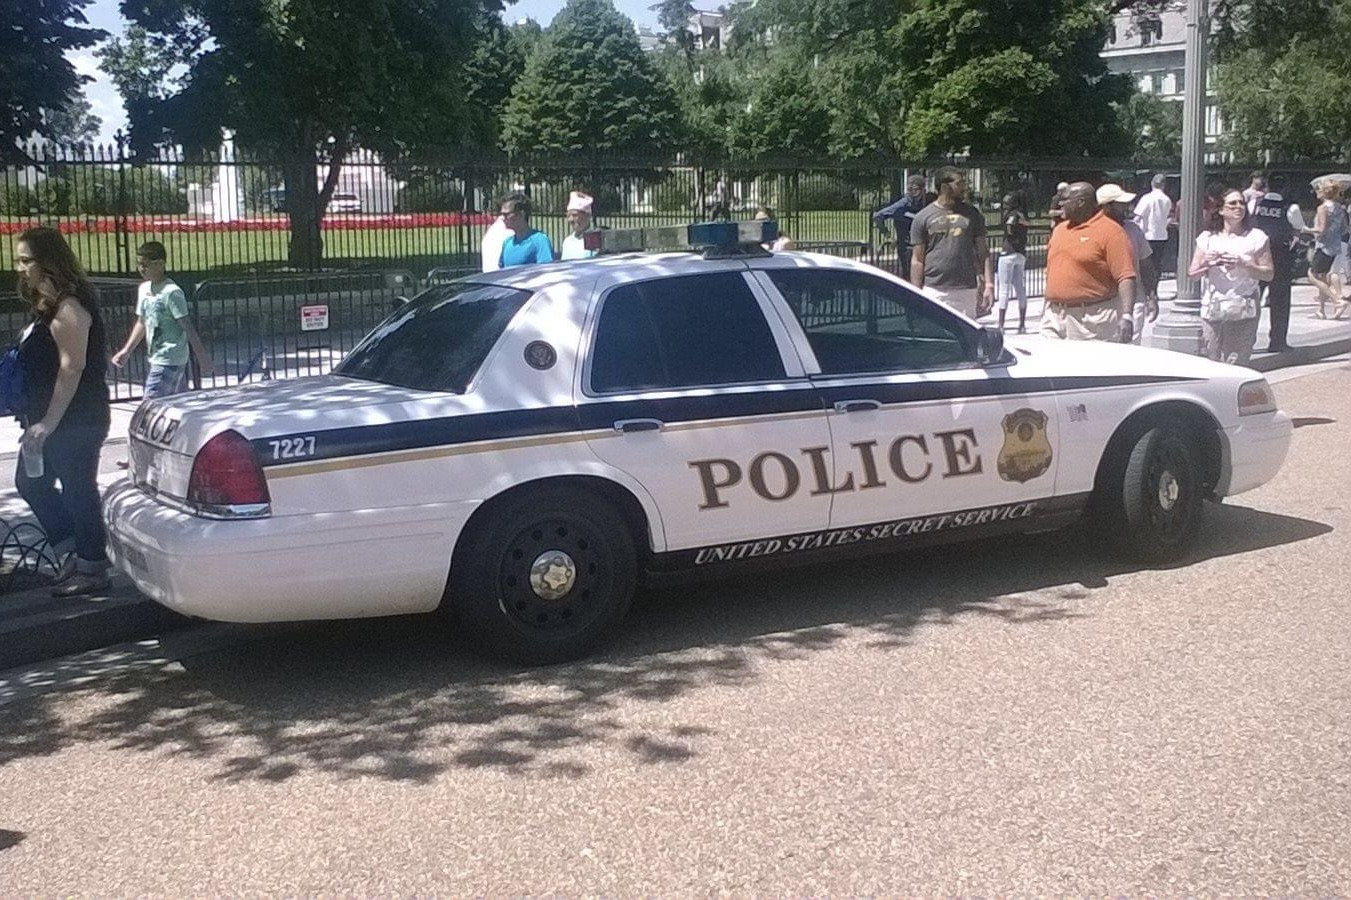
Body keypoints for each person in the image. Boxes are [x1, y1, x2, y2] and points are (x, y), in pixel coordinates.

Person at [12, 227, 113, 597]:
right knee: (30, 482)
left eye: (27, 260)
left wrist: (47, 424)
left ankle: (91, 566)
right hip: (48, 419)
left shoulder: (70, 306)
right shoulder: (49, 304)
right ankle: (72, 553)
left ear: (49, 262)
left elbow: (72, 368)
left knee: (77, 489)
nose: (20, 268)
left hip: (75, 419)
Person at [111, 241, 215, 401]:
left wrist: (202, 356)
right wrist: (127, 350)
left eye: (145, 265)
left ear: (160, 264)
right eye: (139, 264)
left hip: (170, 358)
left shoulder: (172, 293)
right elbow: (142, 322)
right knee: (177, 404)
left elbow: (187, 326)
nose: (141, 269)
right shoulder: (144, 289)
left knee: (150, 404)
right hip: (156, 355)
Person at [1040, 182, 1138, 343]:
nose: (1060, 204)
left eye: (1065, 200)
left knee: (1089, 368)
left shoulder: (1111, 232)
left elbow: (1125, 276)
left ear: (1080, 202)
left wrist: (1127, 316)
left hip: (1092, 320)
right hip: (1054, 317)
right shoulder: (1059, 230)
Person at [1187, 188, 1272, 365]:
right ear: (1221, 209)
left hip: (1243, 307)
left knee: (1236, 362)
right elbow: (1193, 275)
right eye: (1232, 203)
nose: (1238, 207)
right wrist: (1207, 263)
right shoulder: (1207, 238)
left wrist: (1243, 263)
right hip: (1213, 308)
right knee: (1213, 359)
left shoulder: (1257, 237)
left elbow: (1268, 274)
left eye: (1241, 203)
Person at [909, 167, 993, 318]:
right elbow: (917, 260)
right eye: (959, 184)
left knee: (967, 338)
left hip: (966, 290)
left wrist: (988, 284)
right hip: (935, 289)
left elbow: (983, 252)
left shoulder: (972, 215)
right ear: (945, 187)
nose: (964, 188)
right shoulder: (922, 218)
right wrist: (916, 292)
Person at [1099, 183, 1159, 344]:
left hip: (1134, 300)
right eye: (1120, 204)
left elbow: (1146, 264)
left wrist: (1151, 296)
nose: (1126, 207)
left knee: (1130, 348)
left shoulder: (1133, 230)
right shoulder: (1093, 232)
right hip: (1101, 303)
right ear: (1107, 207)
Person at [1250, 173, 1303, 350]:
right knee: (1280, 300)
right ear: (1285, 187)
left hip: (1258, 257)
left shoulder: (1257, 203)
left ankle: (1248, 339)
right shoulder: (1290, 207)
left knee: (1253, 298)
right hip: (1281, 257)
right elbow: (1298, 227)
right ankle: (1278, 341)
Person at [1305, 180, 1347, 318]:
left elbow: (1321, 229)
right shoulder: (1340, 208)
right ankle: (1321, 309)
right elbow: (1344, 228)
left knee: (1312, 276)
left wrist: (1307, 229)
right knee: (1323, 276)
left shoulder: (1323, 208)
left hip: (1323, 246)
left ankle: (1337, 300)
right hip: (1334, 246)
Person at [872, 175, 927, 279]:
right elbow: (877, 216)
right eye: (909, 189)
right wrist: (889, 236)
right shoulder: (902, 204)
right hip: (907, 248)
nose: (912, 193)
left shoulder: (926, 204)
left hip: (924, 247)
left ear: (922, 190)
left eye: (915, 190)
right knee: (910, 277)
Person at [995, 192, 1029, 333]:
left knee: (1004, 289)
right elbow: (1027, 224)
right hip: (1020, 253)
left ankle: (1001, 325)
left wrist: (1010, 233)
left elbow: (1009, 226)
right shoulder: (1022, 215)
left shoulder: (1011, 214)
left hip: (1008, 252)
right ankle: (1022, 324)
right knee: (1020, 287)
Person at [497, 192, 554, 268]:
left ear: (521, 214)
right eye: (502, 214)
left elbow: (546, 269)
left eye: (506, 214)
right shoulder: (507, 243)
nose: (503, 218)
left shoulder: (539, 240)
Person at [1132, 173, 1174, 271]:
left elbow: (1138, 217)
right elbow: (1169, 217)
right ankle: (1155, 283)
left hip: (1147, 236)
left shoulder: (1147, 198)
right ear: (1164, 185)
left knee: (1145, 265)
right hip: (1162, 236)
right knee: (1157, 263)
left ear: (1152, 183)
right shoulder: (1167, 200)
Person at [560, 191, 597, 261]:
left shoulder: (596, 240)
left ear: (588, 216)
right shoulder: (567, 242)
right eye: (568, 216)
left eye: (575, 215)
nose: (571, 219)